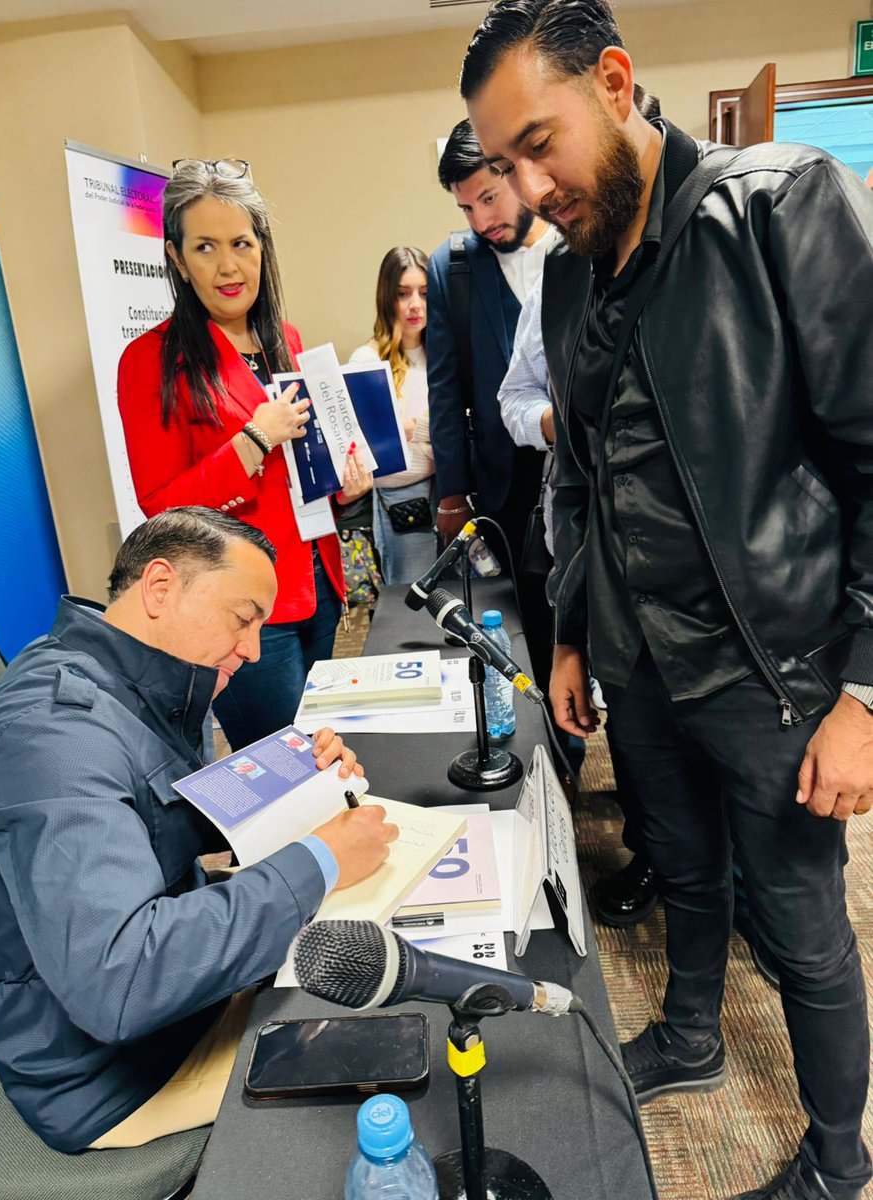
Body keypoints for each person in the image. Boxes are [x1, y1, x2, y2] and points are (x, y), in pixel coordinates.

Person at [461, 4, 873, 1199]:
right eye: (506, 165)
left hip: (771, 665)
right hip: (640, 664)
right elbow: (580, 473)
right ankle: (691, 1037)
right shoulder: (567, 278)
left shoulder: (779, 207)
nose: (530, 189)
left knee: (800, 924)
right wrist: (574, 634)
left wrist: (863, 692)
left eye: (541, 145)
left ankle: (840, 1162)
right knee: (684, 872)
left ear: (616, 80)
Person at [0, 507, 398, 1153]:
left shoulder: (135, 674)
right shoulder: (53, 737)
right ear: (161, 586)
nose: (254, 650)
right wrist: (321, 859)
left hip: (178, 1005)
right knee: (392, 1047)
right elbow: (120, 982)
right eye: (243, 618)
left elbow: (153, 813)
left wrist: (297, 791)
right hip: (113, 1076)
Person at [118, 158, 372, 753]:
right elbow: (162, 511)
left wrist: (343, 486)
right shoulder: (150, 361)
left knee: (323, 744)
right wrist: (252, 440)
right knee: (284, 761)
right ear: (178, 260)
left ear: (262, 249)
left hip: (316, 580)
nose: (229, 266)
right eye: (205, 247)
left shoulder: (285, 338)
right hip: (238, 605)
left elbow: (300, 465)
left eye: (241, 243)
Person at [428, 118, 560, 686]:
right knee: (524, 621)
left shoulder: (577, 244)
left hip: (584, 473)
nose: (481, 221)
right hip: (504, 485)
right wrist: (452, 493)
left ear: (517, 172)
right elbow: (444, 390)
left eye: (488, 197)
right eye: (466, 208)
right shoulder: (453, 267)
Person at [349, 247, 437, 585]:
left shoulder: (443, 354)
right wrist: (433, 433)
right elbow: (380, 455)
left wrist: (413, 427)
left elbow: (463, 422)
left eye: (424, 293)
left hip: (451, 492)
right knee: (413, 600)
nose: (415, 304)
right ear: (387, 298)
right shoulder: (366, 362)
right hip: (402, 500)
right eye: (403, 294)